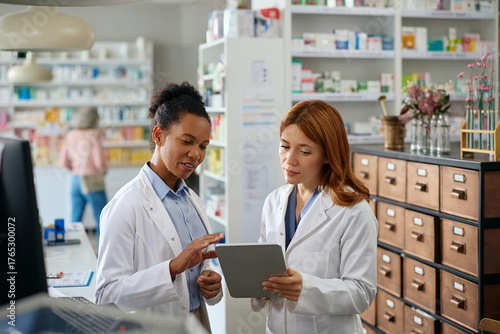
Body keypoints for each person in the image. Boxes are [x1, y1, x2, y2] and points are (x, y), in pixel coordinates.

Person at [95, 82, 223, 333]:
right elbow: (107, 294)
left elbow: (201, 270)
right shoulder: (125, 206)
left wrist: (211, 285)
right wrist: (172, 268)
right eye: (187, 141)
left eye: (203, 146)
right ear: (158, 135)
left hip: (198, 321)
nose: (196, 154)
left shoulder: (193, 201)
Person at [251, 100, 378, 334]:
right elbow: (265, 267)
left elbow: (362, 292)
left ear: (328, 155)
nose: (290, 159)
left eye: (304, 151)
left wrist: (305, 289)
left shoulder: (354, 212)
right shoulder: (274, 202)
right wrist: (261, 288)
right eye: (284, 146)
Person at [59, 106, 107, 239]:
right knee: (102, 216)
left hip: (75, 179)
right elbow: (98, 161)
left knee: (75, 218)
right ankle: (102, 251)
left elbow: (63, 162)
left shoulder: (70, 135)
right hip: (91, 180)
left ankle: (72, 250)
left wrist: (76, 169)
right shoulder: (94, 134)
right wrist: (103, 170)